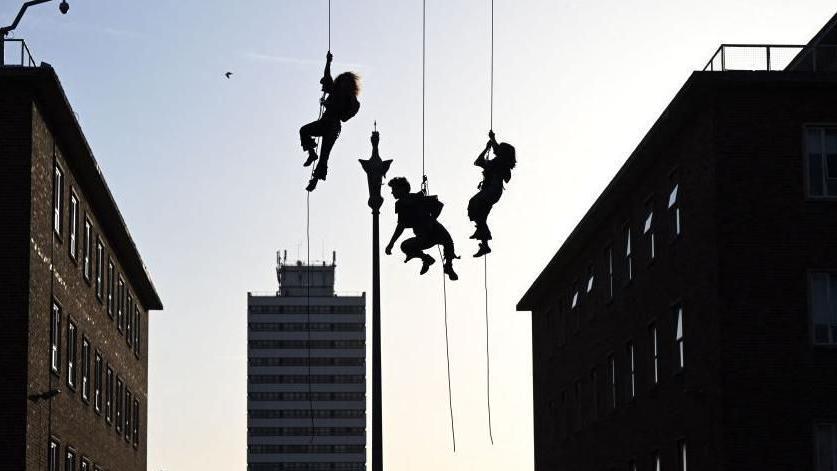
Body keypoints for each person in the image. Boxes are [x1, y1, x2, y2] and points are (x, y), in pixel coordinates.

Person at [299, 51, 361, 192]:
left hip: (332, 125)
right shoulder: (335, 90)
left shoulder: (351, 100)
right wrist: (328, 62)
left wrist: (329, 106)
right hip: (327, 122)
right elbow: (327, 77)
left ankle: (314, 179)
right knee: (304, 131)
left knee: (324, 155)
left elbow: (344, 117)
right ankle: (311, 153)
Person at [385, 177, 459, 281]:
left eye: (394, 189)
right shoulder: (401, 204)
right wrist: (391, 243)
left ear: (401, 189)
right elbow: (401, 226)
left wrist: (431, 220)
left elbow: (438, 206)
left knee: (448, 242)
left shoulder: (416, 198)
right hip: (423, 236)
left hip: (434, 228)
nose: (392, 192)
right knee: (405, 246)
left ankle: (448, 266)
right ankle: (426, 259)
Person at [468, 130, 516, 257]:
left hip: (492, 191)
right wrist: (487, 148)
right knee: (481, 215)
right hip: (491, 192)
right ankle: (485, 245)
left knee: (474, 202)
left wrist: (493, 140)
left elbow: (496, 152)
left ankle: (481, 232)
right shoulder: (497, 162)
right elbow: (478, 161)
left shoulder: (501, 163)